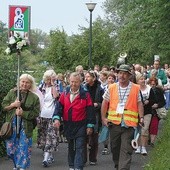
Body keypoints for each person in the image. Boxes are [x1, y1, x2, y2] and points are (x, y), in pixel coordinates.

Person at [101, 64, 144, 170]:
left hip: (129, 125)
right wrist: (103, 118)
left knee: (126, 150)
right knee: (115, 148)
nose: (122, 75)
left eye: (125, 73)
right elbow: (105, 102)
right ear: (117, 74)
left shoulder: (135, 88)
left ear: (129, 75)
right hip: (114, 124)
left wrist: (141, 117)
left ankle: (123, 168)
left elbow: (139, 103)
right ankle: (118, 166)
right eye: (120, 73)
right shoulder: (111, 88)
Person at [53, 72, 96, 170]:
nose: (73, 84)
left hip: (81, 124)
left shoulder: (85, 95)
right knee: (71, 146)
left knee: (80, 146)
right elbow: (59, 108)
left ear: (80, 82)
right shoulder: (64, 93)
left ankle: (78, 167)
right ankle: (72, 166)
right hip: (69, 124)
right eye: (72, 82)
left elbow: (90, 110)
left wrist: (90, 125)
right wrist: (56, 118)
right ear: (69, 81)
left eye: (76, 82)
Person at [1, 73, 40, 170]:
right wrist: (13, 105)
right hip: (11, 126)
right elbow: (4, 107)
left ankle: (21, 167)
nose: (24, 84)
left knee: (24, 149)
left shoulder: (34, 98)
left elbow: (35, 113)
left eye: (27, 82)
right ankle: (17, 165)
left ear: (31, 84)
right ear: (19, 82)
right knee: (11, 150)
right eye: (23, 81)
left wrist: (23, 113)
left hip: (25, 127)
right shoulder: (12, 93)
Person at [36, 69, 59, 167]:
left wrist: (53, 85)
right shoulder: (41, 87)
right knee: (43, 137)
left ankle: (45, 158)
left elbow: (56, 96)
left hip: (52, 115)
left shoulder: (56, 87)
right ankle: (49, 154)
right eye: (48, 79)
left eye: (52, 79)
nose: (49, 81)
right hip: (42, 115)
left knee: (51, 136)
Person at [84, 70, 104, 165]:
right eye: (86, 76)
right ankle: (83, 159)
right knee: (84, 137)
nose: (86, 78)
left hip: (95, 114)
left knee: (94, 137)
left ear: (94, 78)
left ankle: (93, 158)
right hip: (85, 114)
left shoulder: (100, 89)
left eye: (88, 77)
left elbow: (104, 103)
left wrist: (98, 104)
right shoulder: (83, 88)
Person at [135, 74, 155, 155]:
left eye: (144, 79)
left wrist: (149, 101)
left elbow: (154, 99)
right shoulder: (135, 89)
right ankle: (138, 146)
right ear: (137, 81)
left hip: (147, 112)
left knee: (144, 129)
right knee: (138, 130)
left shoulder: (149, 89)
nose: (143, 80)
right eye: (141, 79)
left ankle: (143, 147)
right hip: (136, 112)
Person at [148, 77, 166, 147]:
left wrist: (157, 105)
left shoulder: (159, 91)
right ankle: (149, 139)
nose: (153, 86)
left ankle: (152, 142)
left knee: (154, 126)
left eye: (154, 84)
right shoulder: (146, 91)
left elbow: (163, 102)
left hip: (156, 112)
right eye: (151, 84)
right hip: (148, 111)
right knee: (148, 127)